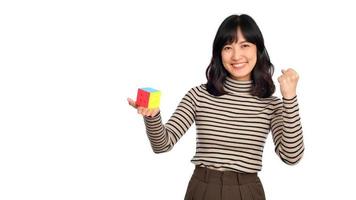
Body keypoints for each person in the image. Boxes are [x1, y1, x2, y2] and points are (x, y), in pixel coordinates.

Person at [127, 14, 304, 200]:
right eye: (228, 47)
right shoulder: (199, 95)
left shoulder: (272, 105)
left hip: (247, 191)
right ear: (219, 53)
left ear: (258, 49)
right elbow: (162, 145)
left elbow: (291, 157)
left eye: (245, 45)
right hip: (202, 189)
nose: (236, 56)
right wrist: (152, 116)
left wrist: (289, 98)